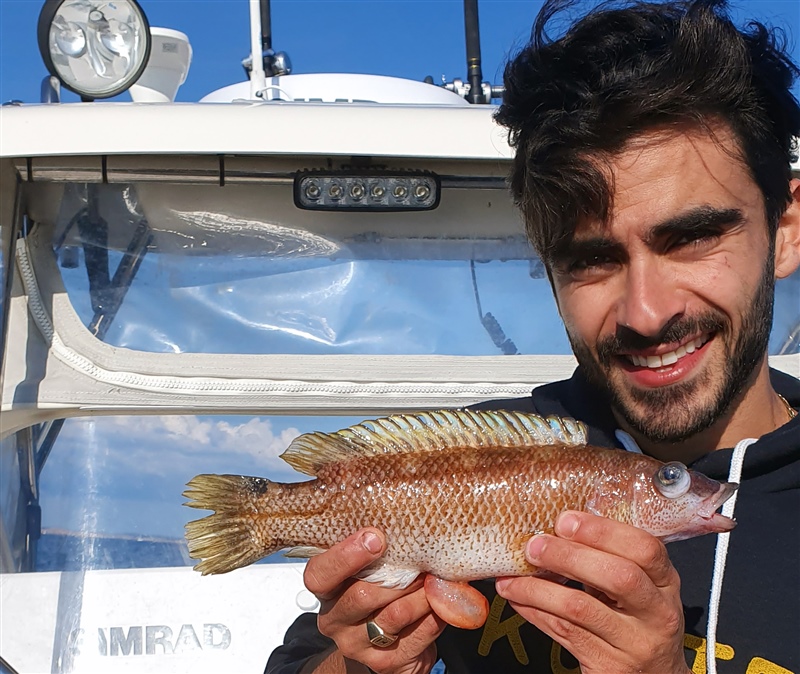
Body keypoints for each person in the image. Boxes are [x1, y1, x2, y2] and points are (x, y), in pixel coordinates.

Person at [266, 0, 800, 672]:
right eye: (591, 260)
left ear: (786, 229)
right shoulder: (478, 453)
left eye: (691, 238)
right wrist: (363, 664)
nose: (644, 311)